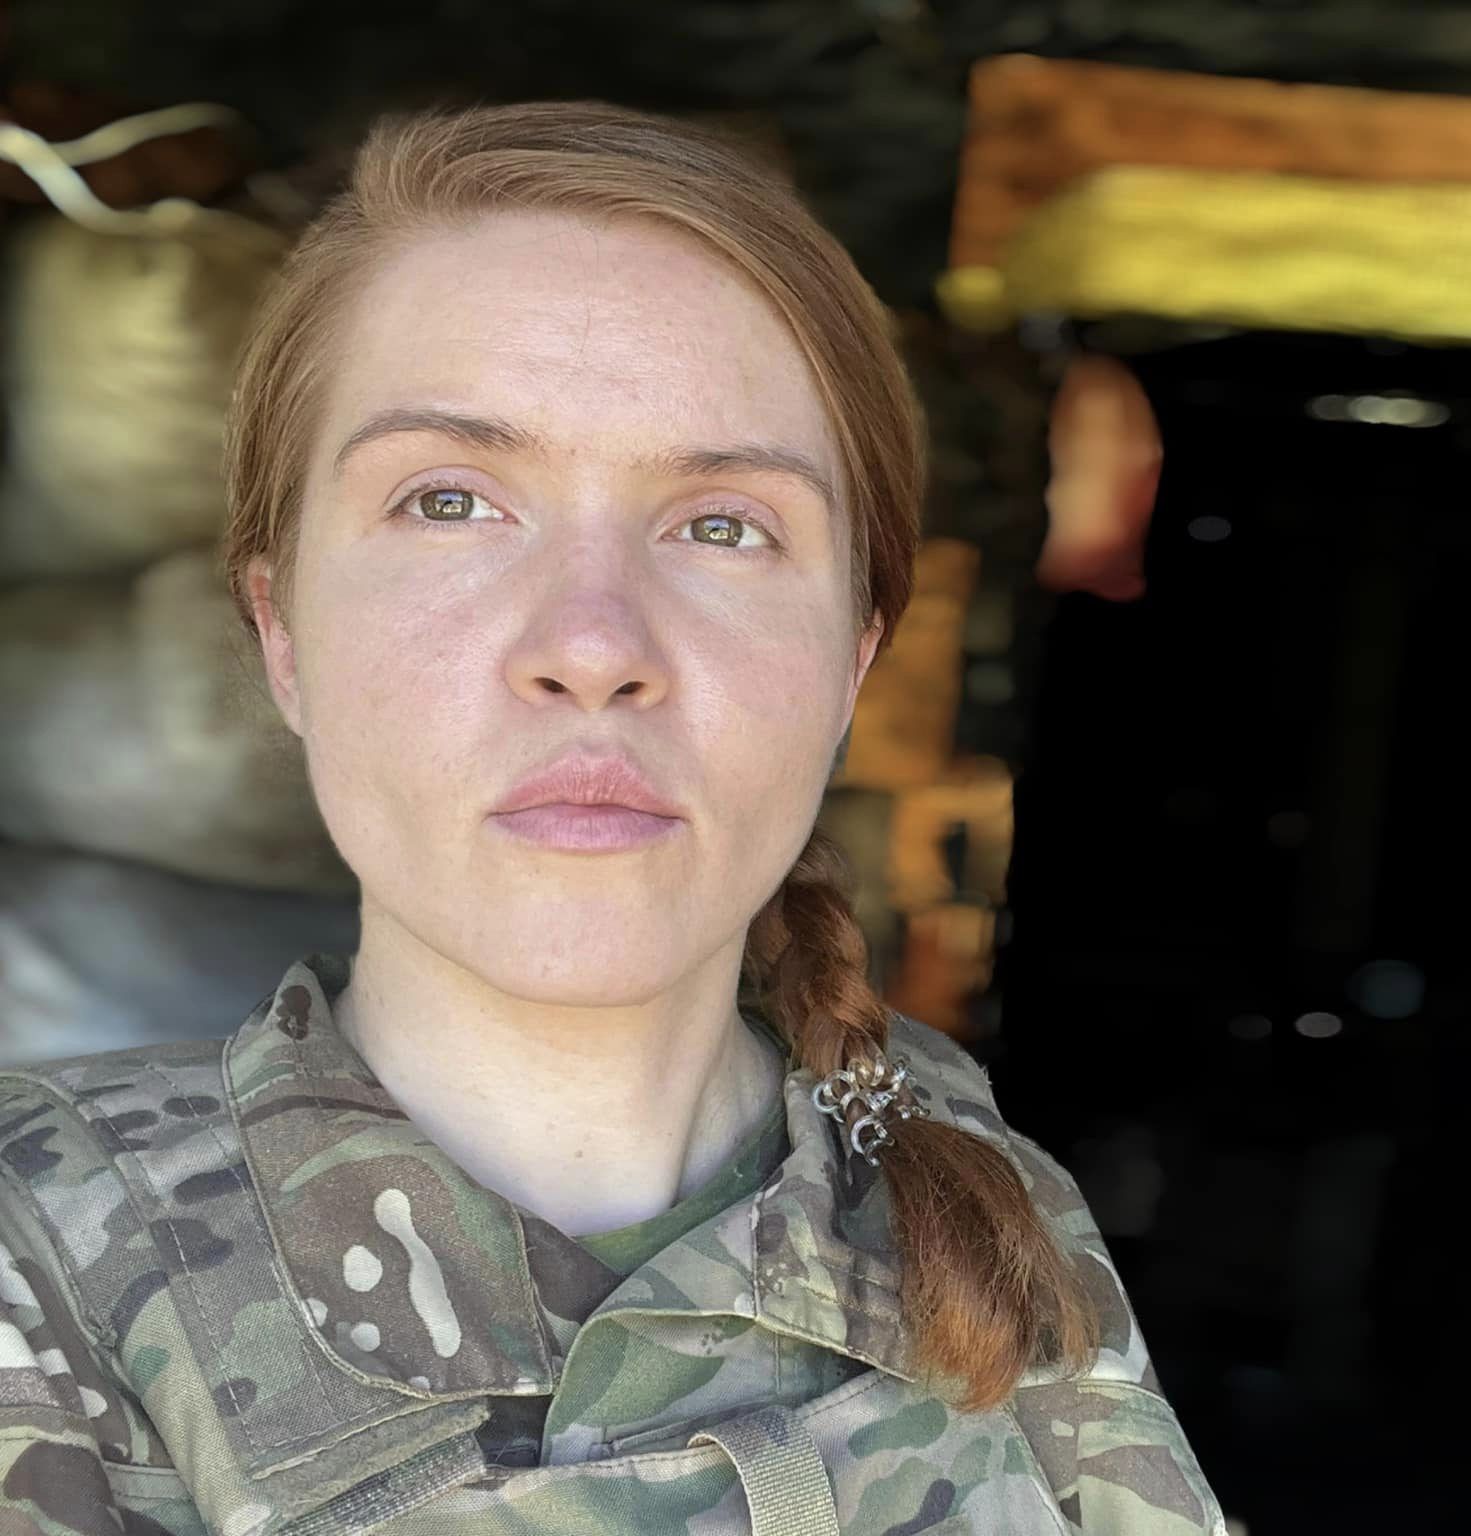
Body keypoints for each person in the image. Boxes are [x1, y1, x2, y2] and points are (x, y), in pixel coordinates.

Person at [0, 100, 1226, 1534]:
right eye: (450, 503)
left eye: (723, 525)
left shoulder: (965, 1171)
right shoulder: (39, 1262)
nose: (592, 646)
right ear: (282, 633)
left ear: (853, 660)